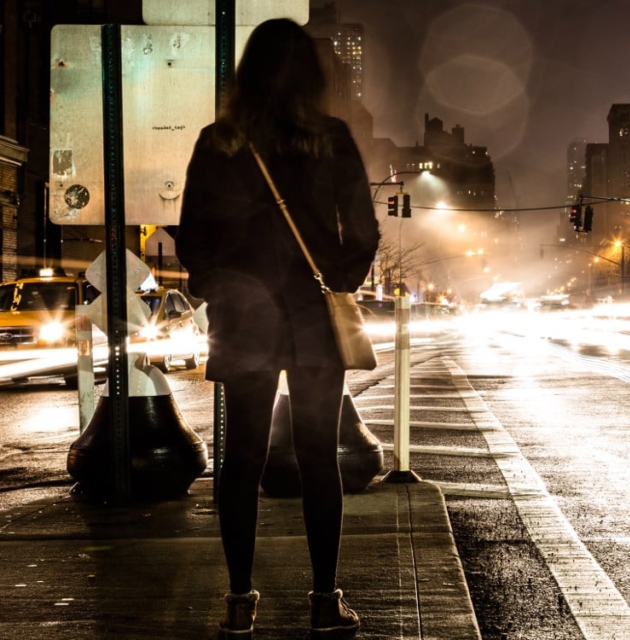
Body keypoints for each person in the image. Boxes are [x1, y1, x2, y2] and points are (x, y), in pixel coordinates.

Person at [176, 18, 380, 640]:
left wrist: (223, 286)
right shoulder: (333, 139)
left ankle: (240, 600)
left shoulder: (221, 141)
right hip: (314, 319)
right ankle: (324, 600)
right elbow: (364, 231)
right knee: (320, 457)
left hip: (245, 320)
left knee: (241, 459)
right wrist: (335, 282)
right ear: (310, 77)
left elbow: (193, 236)